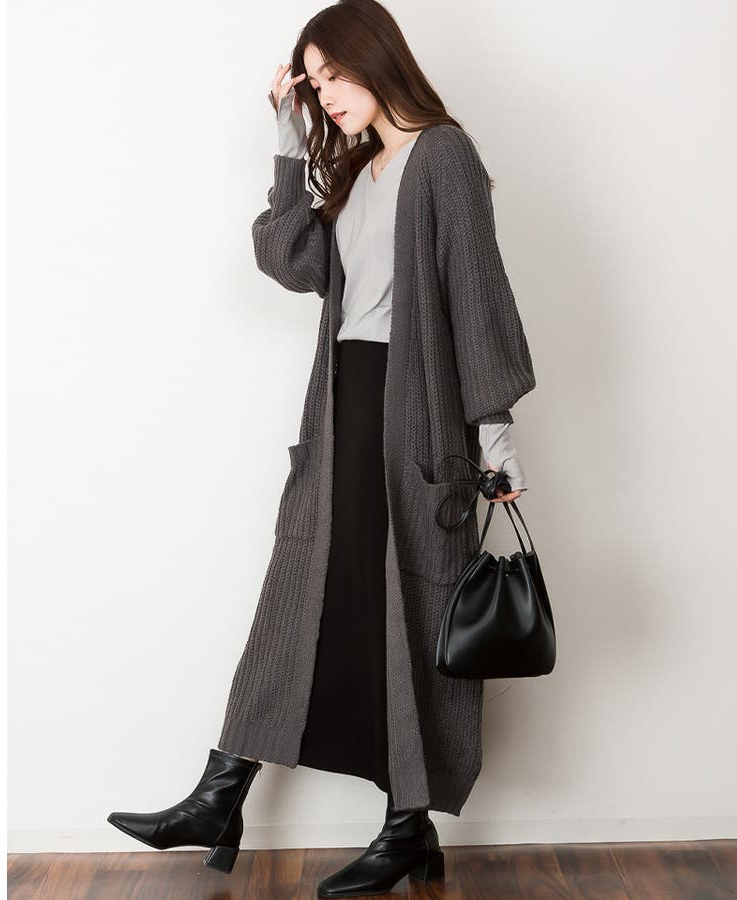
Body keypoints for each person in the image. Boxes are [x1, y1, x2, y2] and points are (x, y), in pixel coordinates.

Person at [108, 1, 537, 894]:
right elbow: (292, 262)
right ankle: (222, 793)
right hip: (343, 406)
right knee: (305, 593)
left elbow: (477, 293)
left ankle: (404, 827)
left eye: (334, 73)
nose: (326, 92)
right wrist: (286, 139)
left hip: (414, 414)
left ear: (377, 57)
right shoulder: (356, 165)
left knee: (407, 612)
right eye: (313, 81)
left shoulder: (442, 157)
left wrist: (495, 437)